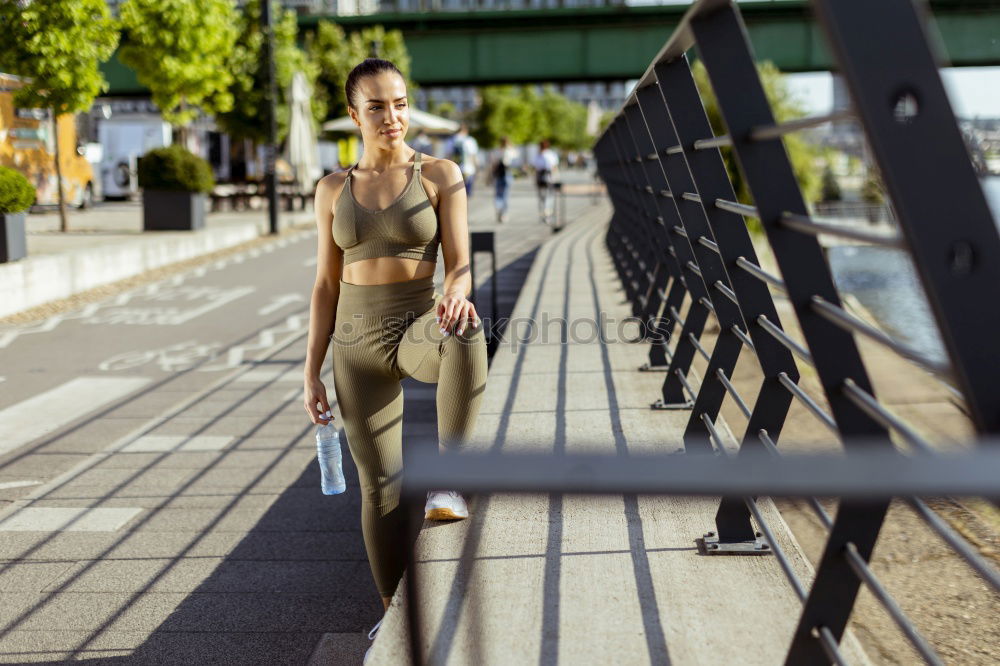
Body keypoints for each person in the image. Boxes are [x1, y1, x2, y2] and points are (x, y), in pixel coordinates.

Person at [302, 58, 489, 662]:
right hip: (353, 348)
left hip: (417, 324)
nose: (393, 116)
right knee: (378, 487)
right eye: (377, 106)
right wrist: (310, 370)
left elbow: (459, 262)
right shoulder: (332, 188)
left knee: (466, 333)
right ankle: (391, 616)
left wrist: (456, 294)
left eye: (400, 103)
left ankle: (452, 478)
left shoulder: (439, 174)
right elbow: (325, 286)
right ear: (355, 115)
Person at [532, 139, 560, 226]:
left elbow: (535, 168)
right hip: (549, 177)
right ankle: (547, 214)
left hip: (541, 177)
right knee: (549, 196)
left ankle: (544, 214)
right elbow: (554, 167)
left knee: (542, 197)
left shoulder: (539, 155)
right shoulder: (550, 154)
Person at [490, 136, 517, 223]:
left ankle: (499, 209)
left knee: (498, 194)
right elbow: (515, 157)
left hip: (498, 175)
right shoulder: (509, 151)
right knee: (505, 194)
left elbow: (493, 164)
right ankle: (504, 213)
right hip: (506, 174)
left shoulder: (497, 151)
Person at [450, 123, 479, 198]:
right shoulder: (470, 140)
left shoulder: (451, 140)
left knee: (456, 193)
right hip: (468, 169)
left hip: (454, 170)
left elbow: (448, 156)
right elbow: (473, 156)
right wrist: (476, 168)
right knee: (466, 193)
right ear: (466, 131)